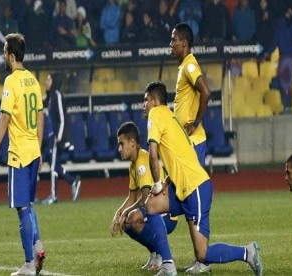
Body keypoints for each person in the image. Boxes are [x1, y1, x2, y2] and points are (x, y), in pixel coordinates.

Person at [143, 81, 262, 276]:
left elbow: (152, 153)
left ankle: (247, 252)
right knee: (151, 206)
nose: (143, 105)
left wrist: (156, 185)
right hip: (186, 188)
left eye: (145, 100)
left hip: (195, 189)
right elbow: (182, 158)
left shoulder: (156, 114)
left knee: (202, 253)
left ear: (155, 102)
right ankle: (167, 263)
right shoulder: (171, 118)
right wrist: (165, 182)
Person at [0, 33, 46, 276]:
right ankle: (38, 245)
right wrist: (39, 149)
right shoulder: (33, 79)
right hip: (32, 151)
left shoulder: (11, 81)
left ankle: (29, 264)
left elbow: (5, 117)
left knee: (21, 209)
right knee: (28, 205)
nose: (3, 56)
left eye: (4, 52)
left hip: (19, 153)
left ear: (11, 55)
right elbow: (41, 116)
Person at [110, 121, 178, 271]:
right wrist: (118, 213)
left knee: (133, 218)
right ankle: (154, 253)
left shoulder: (142, 163)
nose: (119, 148)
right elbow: (131, 197)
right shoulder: (133, 165)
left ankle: (161, 255)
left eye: (122, 144)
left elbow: (146, 198)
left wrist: (126, 212)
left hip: (166, 214)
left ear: (132, 143)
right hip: (155, 210)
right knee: (126, 223)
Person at [170, 22, 210, 167]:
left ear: (184, 43)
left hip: (193, 142)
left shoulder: (189, 65)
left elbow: (206, 92)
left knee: (195, 188)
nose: (171, 44)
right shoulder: (184, 66)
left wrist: (195, 123)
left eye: (174, 40)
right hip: (186, 142)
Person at [41, 72, 81, 204]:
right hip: (51, 135)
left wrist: (59, 136)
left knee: (53, 166)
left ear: (54, 81)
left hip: (56, 136)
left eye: (48, 79)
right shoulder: (51, 96)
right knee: (54, 164)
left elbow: (62, 117)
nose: (46, 82)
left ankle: (53, 196)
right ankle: (72, 180)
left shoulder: (57, 95)